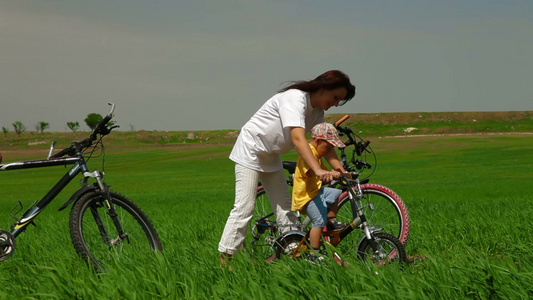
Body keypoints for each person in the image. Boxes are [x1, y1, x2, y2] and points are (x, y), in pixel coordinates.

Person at [218, 70, 355, 265]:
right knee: (244, 208)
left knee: (285, 210)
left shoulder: (317, 113)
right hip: (250, 150)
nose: (335, 103)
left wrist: (341, 172)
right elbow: (299, 140)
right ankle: (225, 263)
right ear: (323, 88)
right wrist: (318, 170)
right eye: (335, 97)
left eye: (339, 101)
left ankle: (295, 259)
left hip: (271, 155)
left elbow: (325, 147)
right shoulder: (294, 99)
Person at [291, 122, 347, 263]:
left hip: (315, 191)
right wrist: (329, 173)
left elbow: (324, 172)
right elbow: (311, 172)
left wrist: (338, 174)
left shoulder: (317, 154)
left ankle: (331, 221)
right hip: (306, 196)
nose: (329, 151)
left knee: (335, 194)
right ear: (318, 141)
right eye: (328, 147)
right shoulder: (308, 153)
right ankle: (314, 253)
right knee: (318, 220)